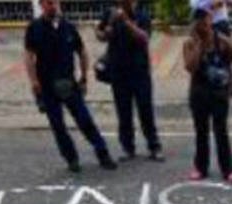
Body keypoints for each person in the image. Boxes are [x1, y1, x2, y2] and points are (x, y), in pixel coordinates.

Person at [24, 0, 117, 172]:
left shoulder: (68, 27)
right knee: (58, 126)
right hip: (47, 85)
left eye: (55, 3)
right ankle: (71, 159)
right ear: (42, 4)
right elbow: (29, 56)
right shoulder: (34, 28)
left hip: (69, 82)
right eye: (49, 3)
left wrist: (83, 77)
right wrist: (34, 82)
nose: (53, 6)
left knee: (85, 120)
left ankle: (103, 154)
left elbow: (81, 52)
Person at [97, 0, 164, 162]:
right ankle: (128, 148)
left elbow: (144, 38)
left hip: (139, 71)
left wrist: (127, 22)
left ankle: (154, 146)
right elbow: (100, 34)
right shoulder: (110, 13)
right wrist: (108, 28)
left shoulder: (142, 15)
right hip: (118, 71)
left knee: (145, 109)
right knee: (123, 111)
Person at [183, 7, 232, 183]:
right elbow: (190, 67)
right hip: (199, 92)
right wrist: (200, 45)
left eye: (205, 20)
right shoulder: (190, 43)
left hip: (218, 92)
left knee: (221, 131)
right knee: (201, 131)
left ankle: (228, 169)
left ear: (211, 20)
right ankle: (200, 167)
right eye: (198, 21)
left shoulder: (223, 41)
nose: (202, 25)